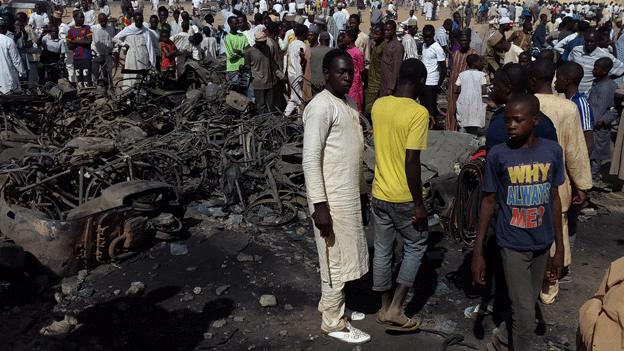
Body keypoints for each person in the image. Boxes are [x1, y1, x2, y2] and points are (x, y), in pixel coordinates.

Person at [473, 92, 565, 350]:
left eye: (518, 120)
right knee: (526, 317)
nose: (511, 126)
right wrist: (478, 251)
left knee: (527, 302)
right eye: (507, 121)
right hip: (512, 244)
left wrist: (560, 248)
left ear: (535, 121)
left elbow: (555, 200)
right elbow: (488, 202)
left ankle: (502, 339)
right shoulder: (498, 155)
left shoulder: (552, 151)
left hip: (542, 242)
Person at [302, 49, 371, 344]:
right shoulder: (321, 107)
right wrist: (320, 206)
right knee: (333, 257)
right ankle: (333, 321)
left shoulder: (349, 102)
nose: (347, 76)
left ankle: (334, 304)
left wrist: (362, 192)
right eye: (340, 72)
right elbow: (310, 158)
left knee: (343, 253)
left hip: (347, 193)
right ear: (326, 74)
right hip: (329, 198)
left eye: (350, 72)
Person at [526, 59, 592, 306]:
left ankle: (525, 284)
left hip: (523, 182)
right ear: (553, 78)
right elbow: (575, 150)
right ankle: (548, 286)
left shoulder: (523, 104)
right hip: (558, 184)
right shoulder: (567, 108)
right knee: (556, 233)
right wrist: (582, 185)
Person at [370, 58, 428, 333]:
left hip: (379, 192)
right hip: (403, 196)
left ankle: (383, 307)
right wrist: (419, 203)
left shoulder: (379, 105)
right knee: (416, 246)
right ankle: (396, 308)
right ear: (419, 82)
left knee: (382, 249)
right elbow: (412, 161)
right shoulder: (418, 113)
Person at [485, 63, 558, 151]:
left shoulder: (500, 121)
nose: (493, 89)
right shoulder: (543, 120)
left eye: (496, 85)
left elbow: (493, 159)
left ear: (508, 88)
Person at [589, 57, 618, 185]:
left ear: (605, 71)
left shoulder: (611, 87)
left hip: (600, 128)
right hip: (590, 125)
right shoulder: (596, 83)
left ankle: (592, 179)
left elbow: (615, 109)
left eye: (596, 68)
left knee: (596, 156)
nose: (593, 70)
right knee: (589, 153)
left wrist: (603, 120)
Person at [569, 29, 624, 95]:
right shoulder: (576, 50)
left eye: (592, 42)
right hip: (572, 93)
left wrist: (603, 79)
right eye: (587, 41)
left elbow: (622, 69)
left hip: (588, 95)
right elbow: (569, 64)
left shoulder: (604, 55)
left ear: (597, 42)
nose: (589, 44)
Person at [554, 61, 594, 151]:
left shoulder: (581, 103)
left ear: (567, 81)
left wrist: (582, 163)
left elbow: (588, 137)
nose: (555, 82)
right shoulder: (566, 101)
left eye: (558, 78)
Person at [113, 12, 157, 90]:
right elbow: (115, 38)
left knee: (142, 80)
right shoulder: (128, 29)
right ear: (134, 20)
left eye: (141, 20)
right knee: (131, 78)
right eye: (137, 20)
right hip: (132, 59)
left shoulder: (145, 31)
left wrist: (152, 62)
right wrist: (123, 44)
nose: (139, 22)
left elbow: (150, 47)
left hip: (143, 59)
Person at [446, 29, 476, 131]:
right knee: (451, 109)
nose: (463, 42)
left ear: (469, 41)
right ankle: (450, 130)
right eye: (462, 40)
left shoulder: (473, 54)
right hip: (453, 86)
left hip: (466, 88)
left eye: (466, 40)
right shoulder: (456, 54)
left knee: (464, 112)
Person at [245, 31, 277, 113]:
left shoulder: (267, 48)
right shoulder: (249, 51)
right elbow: (247, 66)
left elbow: (271, 63)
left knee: (270, 105)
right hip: (258, 83)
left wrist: (278, 75)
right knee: (260, 105)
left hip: (269, 82)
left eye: (264, 42)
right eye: (261, 43)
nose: (263, 44)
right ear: (256, 42)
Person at [455, 54, 486, 135]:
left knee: (463, 125)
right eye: (480, 61)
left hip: (464, 103)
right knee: (474, 126)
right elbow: (484, 91)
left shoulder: (462, 74)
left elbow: (456, 88)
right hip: (476, 104)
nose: (482, 63)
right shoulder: (482, 75)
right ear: (475, 63)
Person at [420, 24, 446, 120]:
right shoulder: (424, 46)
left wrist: (439, 85)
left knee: (431, 108)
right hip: (423, 82)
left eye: (429, 37)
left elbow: (443, 68)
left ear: (433, 35)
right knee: (423, 107)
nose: (427, 39)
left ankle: (433, 128)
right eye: (425, 37)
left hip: (432, 82)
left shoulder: (437, 48)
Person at [284, 24, 308, 116]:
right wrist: (301, 79)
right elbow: (299, 64)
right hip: (298, 75)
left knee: (296, 97)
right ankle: (286, 116)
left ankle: (296, 116)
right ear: (303, 34)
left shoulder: (292, 44)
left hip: (291, 73)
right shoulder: (302, 45)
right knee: (298, 98)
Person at [339, 30, 364, 111]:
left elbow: (361, 68)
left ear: (351, 39)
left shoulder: (357, 52)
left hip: (354, 81)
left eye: (345, 37)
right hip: (346, 79)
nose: (343, 38)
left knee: (354, 101)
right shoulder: (345, 50)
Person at [66, 12, 93, 88]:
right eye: (80, 17)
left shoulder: (87, 28)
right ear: (75, 18)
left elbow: (88, 42)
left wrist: (74, 41)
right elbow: (69, 46)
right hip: (76, 59)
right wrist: (82, 40)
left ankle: (89, 96)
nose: (82, 19)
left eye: (83, 17)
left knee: (86, 80)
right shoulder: (70, 31)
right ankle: (82, 98)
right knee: (80, 81)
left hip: (86, 58)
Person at [223, 16, 249, 93]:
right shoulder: (227, 37)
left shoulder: (243, 36)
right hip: (233, 69)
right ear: (230, 24)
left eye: (238, 23)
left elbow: (248, 51)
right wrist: (242, 53)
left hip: (243, 68)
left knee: (245, 93)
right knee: (236, 93)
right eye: (235, 24)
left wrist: (239, 51)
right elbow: (231, 56)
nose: (238, 25)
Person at [0, 18, 25, 94]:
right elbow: (16, 60)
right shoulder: (8, 41)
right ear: (3, 28)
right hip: (7, 79)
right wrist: (22, 72)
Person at [379, 20, 404, 97]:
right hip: (384, 83)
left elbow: (397, 68)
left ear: (394, 30)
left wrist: (391, 88)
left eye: (388, 30)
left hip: (389, 86)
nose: (386, 32)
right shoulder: (388, 44)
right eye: (385, 30)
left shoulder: (397, 47)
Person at [365, 23, 386, 114]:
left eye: (377, 34)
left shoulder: (384, 46)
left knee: (371, 108)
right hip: (372, 80)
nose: (375, 36)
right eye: (374, 33)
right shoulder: (376, 45)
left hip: (378, 82)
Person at [91, 13, 114, 87]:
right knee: (96, 75)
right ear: (98, 21)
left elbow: (113, 40)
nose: (103, 23)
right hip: (97, 55)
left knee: (108, 74)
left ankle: (110, 89)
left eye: (105, 21)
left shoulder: (111, 28)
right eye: (101, 21)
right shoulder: (93, 29)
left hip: (108, 55)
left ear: (107, 20)